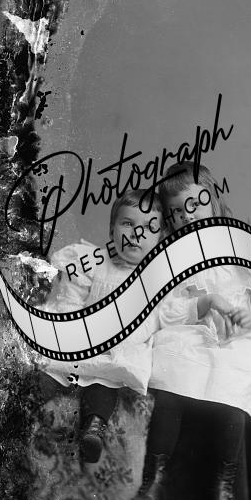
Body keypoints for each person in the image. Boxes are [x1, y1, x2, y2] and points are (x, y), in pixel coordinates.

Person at [126, 162, 251, 500]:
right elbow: (166, 310)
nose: (187, 216)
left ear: (214, 200)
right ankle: (153, 481)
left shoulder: (242, 246)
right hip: (194, 332)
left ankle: (225, 490)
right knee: (172, 366)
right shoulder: (172, 259)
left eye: (194, 205)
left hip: (241, 334)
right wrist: (200, 307)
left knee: (232, 378)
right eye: (176, 212)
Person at [38, 189, 168, 464]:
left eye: (149, 228)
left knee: (103, 385)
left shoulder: (155, 281)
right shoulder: (94, 262)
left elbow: (151, 323)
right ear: (112, 230)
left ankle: (94, 427)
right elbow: (71, 300)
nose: (136, 234)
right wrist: (71, 332)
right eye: (128, 223)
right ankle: (17, 410)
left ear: (160, 239)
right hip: (79, 341)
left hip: (115, 351)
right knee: (47, 375)